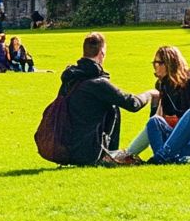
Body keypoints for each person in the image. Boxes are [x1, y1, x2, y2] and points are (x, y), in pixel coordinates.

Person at [56, 32, 156, 166]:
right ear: (102, 53)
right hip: (89, 152)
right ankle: (107, 154)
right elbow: (132, 104)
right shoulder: (97, 83)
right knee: (113, 106)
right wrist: (150, 94)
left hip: (66, 149)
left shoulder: (71, 79)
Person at [110, 45, 190, 164]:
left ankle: (127, 155)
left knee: (158, 123)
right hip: (173, 133)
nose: (156, 67)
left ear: (170, 63)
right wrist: (155, 104)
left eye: (158, 63)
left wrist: (175, 120)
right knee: (154, 122)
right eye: (154, 63)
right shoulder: (163, 84)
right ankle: (129, 155)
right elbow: (155, 122)